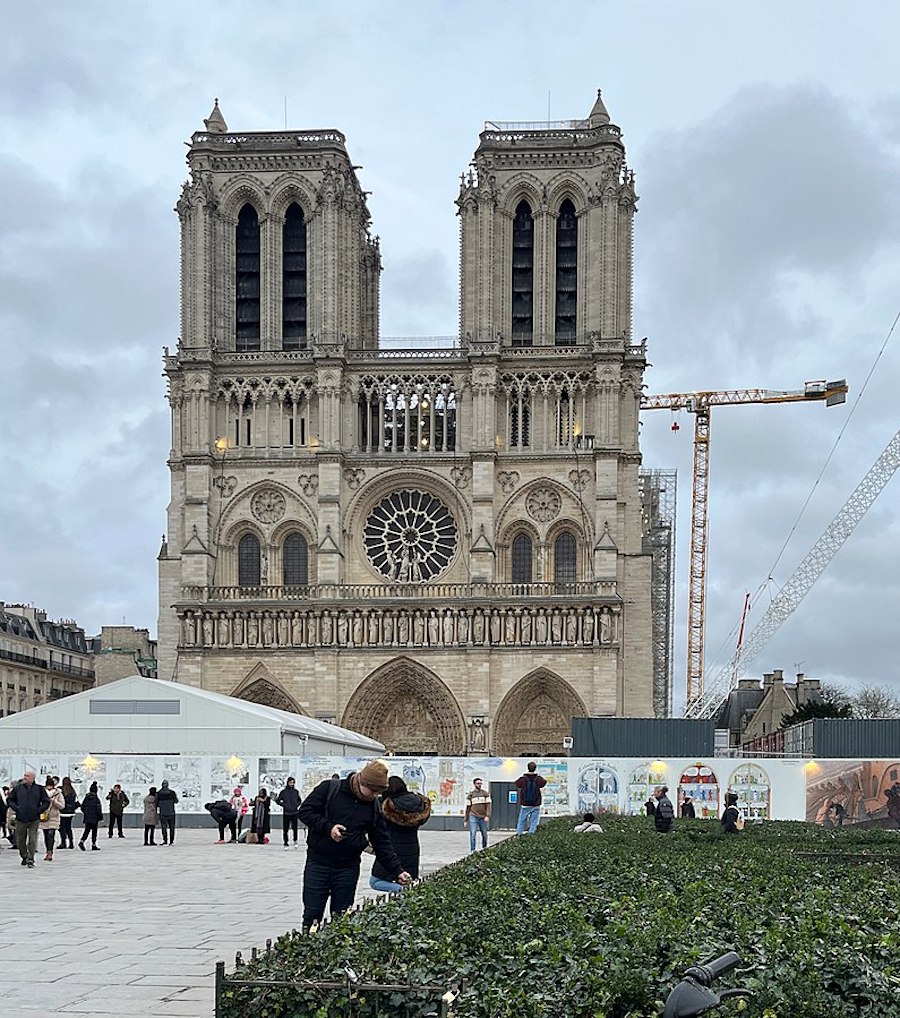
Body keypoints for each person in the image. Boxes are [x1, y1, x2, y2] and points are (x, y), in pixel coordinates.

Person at [297, 760, 410, 931]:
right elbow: (305, 812)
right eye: (373, 791)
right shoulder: (330, 789)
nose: (375, 795)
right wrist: (329, 828)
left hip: (347, 868)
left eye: (379, 792)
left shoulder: (373, 806)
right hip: (318, 863)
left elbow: (381, 842)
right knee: (312, 915)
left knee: (342, 918)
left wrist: (397, 871)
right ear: (362, 782)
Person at [370, 775, 431, 893]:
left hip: (391, 849)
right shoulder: (419, 803)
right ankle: (405, 893)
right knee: (406, 878)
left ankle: (403, 890)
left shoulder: (386, 805)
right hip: (412, 849)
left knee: (375, 881)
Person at [8, 768, 50, 867]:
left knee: (32, 839)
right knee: (20, 841)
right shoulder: (18, 788)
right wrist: (17, 808)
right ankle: (24, 856)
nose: (24, 778)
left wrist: (38, 810)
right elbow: (10, 800)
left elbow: (46, 801)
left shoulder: (39, 789)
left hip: (34, 818)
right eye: (24, 776)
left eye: (27, 776)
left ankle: (30, 859)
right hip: (20, 818)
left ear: (32, 778)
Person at [514, 761, 547, 835]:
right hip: (536, 804)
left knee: (522, 820)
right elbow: (544, 782)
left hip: (525, 804)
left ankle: (519, 834)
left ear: (527, 768)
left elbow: (516, 783)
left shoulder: (523, 779)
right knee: (534, 821)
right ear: (535, 768)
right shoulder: (538, 778)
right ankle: (531, 835)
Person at [39, 776, 64, 861]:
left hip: (54, 817)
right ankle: (48, 850)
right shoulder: (42, 793)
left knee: (51, 834)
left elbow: (62, 806)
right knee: (46, 835)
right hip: (44, 817)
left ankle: (50, 852)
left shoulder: (58, 793)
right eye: (48, 786)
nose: (49, 788)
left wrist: (54, 802)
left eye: (51, 786)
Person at [463, 777, 491, 852]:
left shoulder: (485, 793)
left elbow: (488, 805)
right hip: (473, 816)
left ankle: (484, 848)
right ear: (474, 784)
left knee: (484, 834)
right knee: (473, 834)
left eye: (481, 783)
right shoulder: (470, 795)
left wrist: (487, 815)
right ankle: (473, 850)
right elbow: (468, 808)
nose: (480, 785)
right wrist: (465, 819)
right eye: (478, 783)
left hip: (483, 817)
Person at [275, 777, 301, 850]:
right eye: (290, 782)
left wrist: (296, 805)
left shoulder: (296, 791)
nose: (292, 784)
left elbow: (299, 800)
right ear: (288, 782)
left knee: (295, 828)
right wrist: (284, 805)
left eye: (293, 782)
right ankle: (286, 843)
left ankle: (295, 841)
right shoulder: (283, 792)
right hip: (286, 813)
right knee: (285, 829)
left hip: (295, 812)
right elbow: (278, 800)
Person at [79, 781, 103, 851]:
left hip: (87, 817)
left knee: (87, 830)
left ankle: (82, 841)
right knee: (94, 831)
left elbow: (82, 807)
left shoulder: (86, 798)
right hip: (95, 818)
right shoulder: (96, 799)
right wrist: (100, 817)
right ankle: (93, 844)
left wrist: (86, 813)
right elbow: (98, 809)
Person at [156, 780, 179, 845]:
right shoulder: (172, 793)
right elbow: (176, 801)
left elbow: (156, 804)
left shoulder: (159, 793)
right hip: (171, 812)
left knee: (163, 827)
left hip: (163, 812)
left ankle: (165, 840)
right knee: (172, 827)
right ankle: (171, 841)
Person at [58, 777, 79, 849]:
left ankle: (63, 842)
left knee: (62, 828)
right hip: (70, 812)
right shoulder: (72, 791)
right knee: (68, 827)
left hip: (63, 811)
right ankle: (71, 843)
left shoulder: (61, 790)